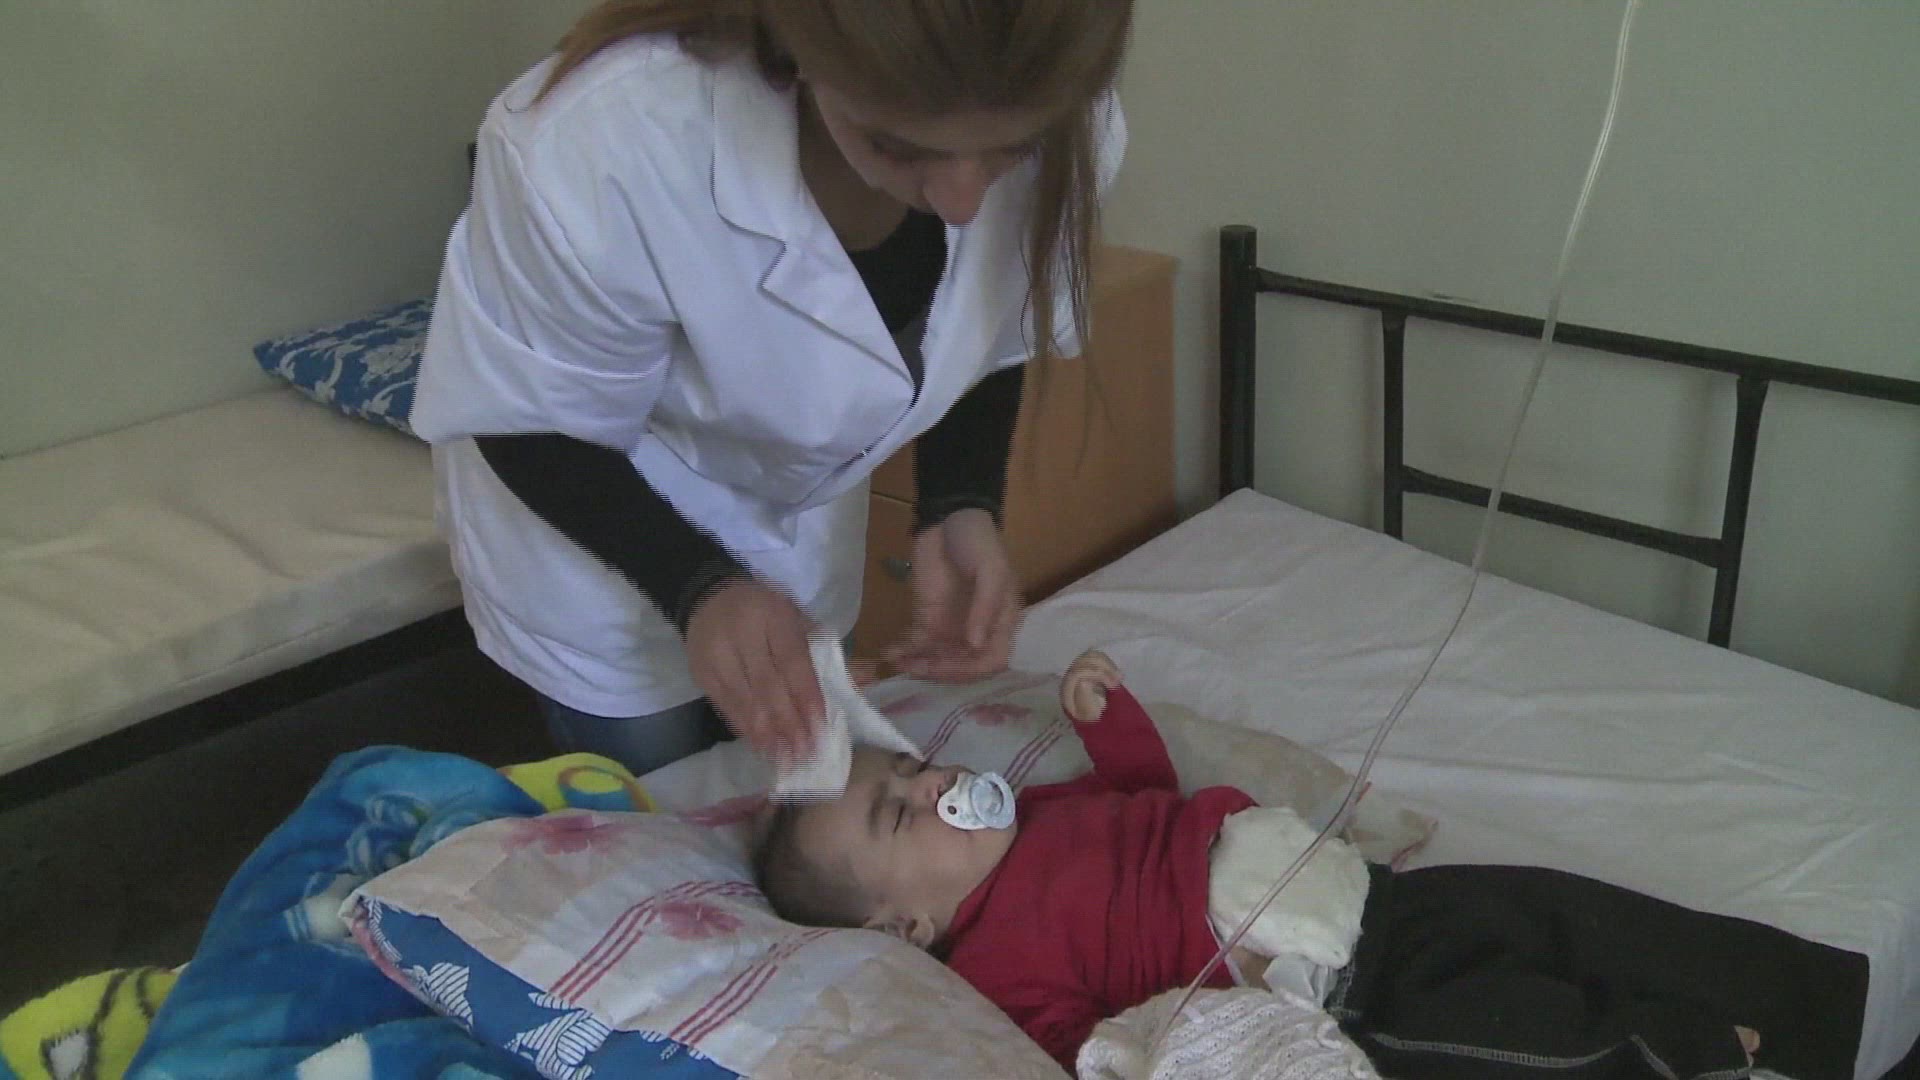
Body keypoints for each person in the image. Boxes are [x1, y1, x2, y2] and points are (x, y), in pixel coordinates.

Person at [409, 0, 1131, 776]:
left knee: (799, 785)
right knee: (659, 801)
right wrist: (697, 586)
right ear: (808, 54)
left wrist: (961, 499)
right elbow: (530, 421)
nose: (962, 201)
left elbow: (993, 317)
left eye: (1010, 151)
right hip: (599, 540)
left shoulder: (1065, 104)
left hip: (795, 535)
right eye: (896, 145)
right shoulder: (597, 144)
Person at [753, 650, 1869, 1079]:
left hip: (1370, 893)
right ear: (906, 926)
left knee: (1570, 914)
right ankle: (1691, 1055)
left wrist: (1108, 720)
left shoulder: (1041, 811)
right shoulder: (998, 958)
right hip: (1329, 985)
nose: (934, 785)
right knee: (1510, 1034)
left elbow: (1147, 794)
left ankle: (1819, 1006)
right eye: (901, 816)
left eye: (914, 769)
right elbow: (1084, 1045)